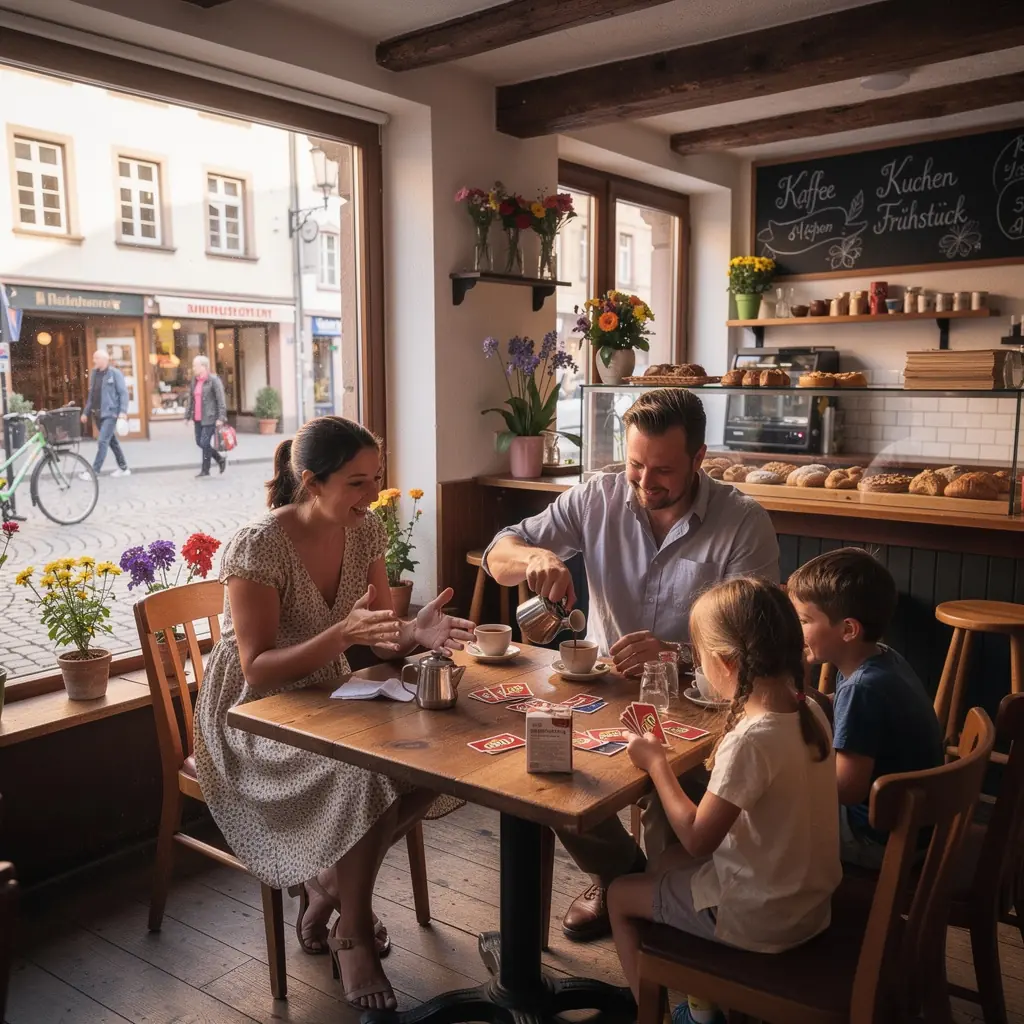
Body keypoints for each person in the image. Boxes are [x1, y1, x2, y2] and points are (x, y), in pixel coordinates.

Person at [194, 415, 475, 1011]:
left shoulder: (364, 529)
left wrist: (414, 634)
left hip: (327, 694)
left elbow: (380, 636)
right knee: (365, 776)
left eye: (376, 478)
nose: (372, 494)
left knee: (438, 759)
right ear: (311, 482)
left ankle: (326, 885)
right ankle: (354, 933)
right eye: (357, 482)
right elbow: (257, 669)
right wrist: (342, 636)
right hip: (251, 717)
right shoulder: (258, 545)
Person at [484, 388, 779, 941]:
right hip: (604, 691)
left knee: (676, 804)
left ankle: (657, 898)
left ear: (699, 457)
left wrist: (679, 653)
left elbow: (758, 646)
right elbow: (500, 553)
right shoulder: (597, 496)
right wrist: (536, 556)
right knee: (546, 772)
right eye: (635, 464)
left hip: (701, 702)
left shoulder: (743, 522)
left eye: (663, 470)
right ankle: (626, 881)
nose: (645, 483)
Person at [608, 578, 841, 1024]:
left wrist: (657, 764)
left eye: (698, 657)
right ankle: (704, 1008)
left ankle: (660, 1017)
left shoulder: (752, 739)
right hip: (808, 904)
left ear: (725, 662)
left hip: (759, 918)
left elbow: (698, 838)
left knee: (620, 895)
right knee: (662, 863)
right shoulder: (810, 710)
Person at [787, 547, 943, 869]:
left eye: (804, 620)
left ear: (848, 630)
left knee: (767, 808)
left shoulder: (862, 688)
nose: (795, 630)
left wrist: (785, 767)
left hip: (878, 840)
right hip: (912, 826)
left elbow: (845, 790)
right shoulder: (881, 658)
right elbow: (839, 709)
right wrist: (799, 691)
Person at [80, 349, 130, 477]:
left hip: (110, 414)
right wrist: (86, 412)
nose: (94, 361)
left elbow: (123, 393)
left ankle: (94, 471)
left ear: (104, 359)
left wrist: (123, 411)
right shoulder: (94, 374)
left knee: (102, 441)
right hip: (97, 414)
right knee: (112, 442)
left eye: (96, 358)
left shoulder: (114, 373)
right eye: (94, 358)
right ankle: (124, 468)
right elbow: (92, 395)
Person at [183, 356, 227, 478]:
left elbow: (221, 400)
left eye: (195, 366)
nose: (193, 368)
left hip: (210, 417)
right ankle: (219, 459)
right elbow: (191, 399)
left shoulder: (214, 380)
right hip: (198, 418)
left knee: (204, 442)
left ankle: (206, 469)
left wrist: (221, 418)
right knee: (199, 442)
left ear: (203, 367)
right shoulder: (195, 381)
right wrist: (187, 416)